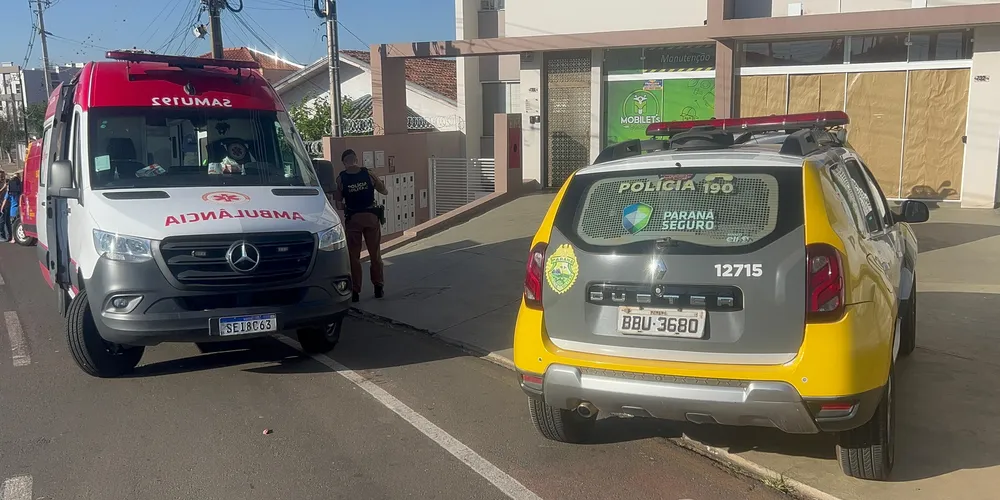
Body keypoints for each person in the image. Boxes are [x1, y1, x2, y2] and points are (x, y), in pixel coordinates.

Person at [333, 149, 388, 303]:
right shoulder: (368, 174)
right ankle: (378, 287)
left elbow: (338, 204)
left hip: (353, 221)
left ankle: (355, 292)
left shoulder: (341, 179)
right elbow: (384, 191)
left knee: (354, 257)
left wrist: (351, 206)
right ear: (356, 159)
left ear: (344, 163)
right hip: (371, 218)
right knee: (375, 254)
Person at [0, 171, 8, 243]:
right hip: (0, 203)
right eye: (1, 176)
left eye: (3, 176)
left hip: (4, 203)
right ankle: (1, 236)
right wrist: (4, 187)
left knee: (4, 220)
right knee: (1, 220)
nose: (2, 177)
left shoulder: (4, 182)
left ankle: (4, 235)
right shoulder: (3, 185)